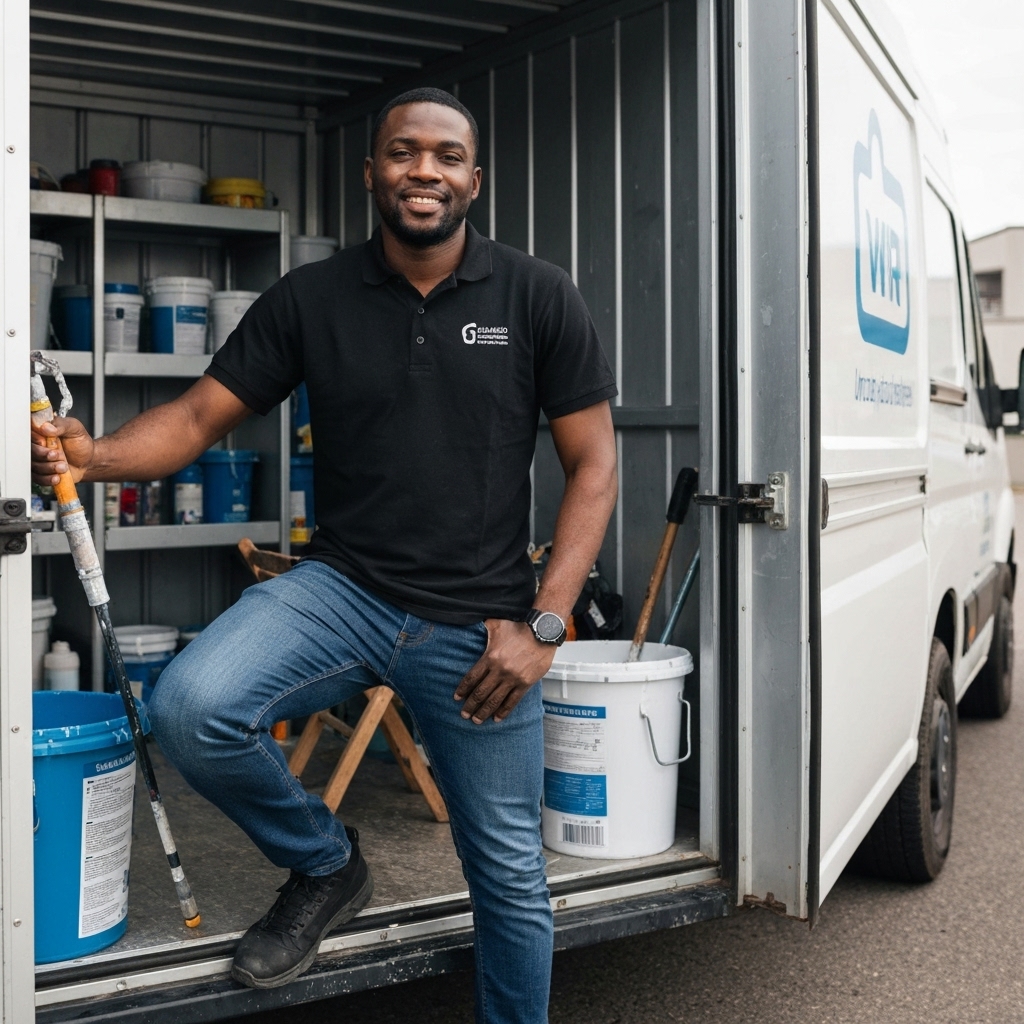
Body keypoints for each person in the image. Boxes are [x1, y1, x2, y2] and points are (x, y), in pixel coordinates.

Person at [31, 87, 618, 1024]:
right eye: (404, 151)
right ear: (371, 170)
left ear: (474, 179)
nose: (425, 171)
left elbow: (595, 466)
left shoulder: (537, 294)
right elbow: (197, 416)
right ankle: (327, 862)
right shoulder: (312, 297)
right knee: (189, 707)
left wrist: (544, 625)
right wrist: (92, 454)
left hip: (481, 622)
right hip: (343, 591)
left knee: (509, 871)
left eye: (448, 156)